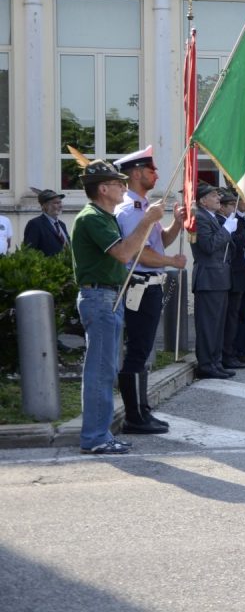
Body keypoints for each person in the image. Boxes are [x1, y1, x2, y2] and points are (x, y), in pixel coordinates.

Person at [70, 159, 165, 455]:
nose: (123, 187)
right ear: (103, 188)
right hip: (100, 298)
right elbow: (124, 252)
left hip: (109, 297)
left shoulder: (104, 215)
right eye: (117, 183)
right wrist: (147, 220)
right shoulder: (92, 218)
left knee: (105, 368)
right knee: (100, 371)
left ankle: (101, 434)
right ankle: (96, 437)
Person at [112, 146, 187, 433]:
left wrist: (176, 225)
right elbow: (138, 254)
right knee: (138, 351)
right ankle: (134, 416)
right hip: (139, 286)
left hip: (151, 286)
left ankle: (142, 409)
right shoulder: (132, 209)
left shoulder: (146, 208)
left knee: (143, 350)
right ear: (136, 173)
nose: (156, 174)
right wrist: (170, 262)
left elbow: (159, 243)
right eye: (151, 170)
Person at [191, 183, 236, 379]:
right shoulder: (200, 218)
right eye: (213, 195)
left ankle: (215, 362)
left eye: (218, 194)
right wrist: (227, 229)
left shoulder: (210, 217)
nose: (218, 197)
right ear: (202, 200)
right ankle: (207, 364)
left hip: (218, 278)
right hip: (208, 278)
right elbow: (209, 246)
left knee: (217, 325)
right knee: (209, 325)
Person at [217, 189, 245, 373]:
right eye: (230, 205)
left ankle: (237, 351)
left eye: (233, 204)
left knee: (238, 315)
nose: (233, 207)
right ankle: (228, 354)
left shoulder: (232, 222)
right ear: (222, 208)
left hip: (241, 272)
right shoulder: (224, 223)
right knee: (231, 317)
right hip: (232, 273)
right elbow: (236, 244)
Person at [24, 189, 71, 256]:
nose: (60, 206)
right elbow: (30, 252)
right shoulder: (35, 224)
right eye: (56, 203)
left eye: (60, 202)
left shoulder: (62, 225)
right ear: (45, 206)